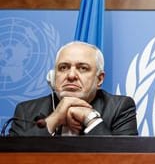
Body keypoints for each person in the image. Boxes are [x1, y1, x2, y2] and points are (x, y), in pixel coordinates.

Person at [9, 41, 138, 136]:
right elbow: (14, 158)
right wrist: (55, 118)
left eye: (83, 68)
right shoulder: (26, 110)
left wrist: (90, 118)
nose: (71, 76)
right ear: (53, 76)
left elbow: (123, 159)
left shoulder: (120, 107)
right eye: (63, 67)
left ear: (99, 79)